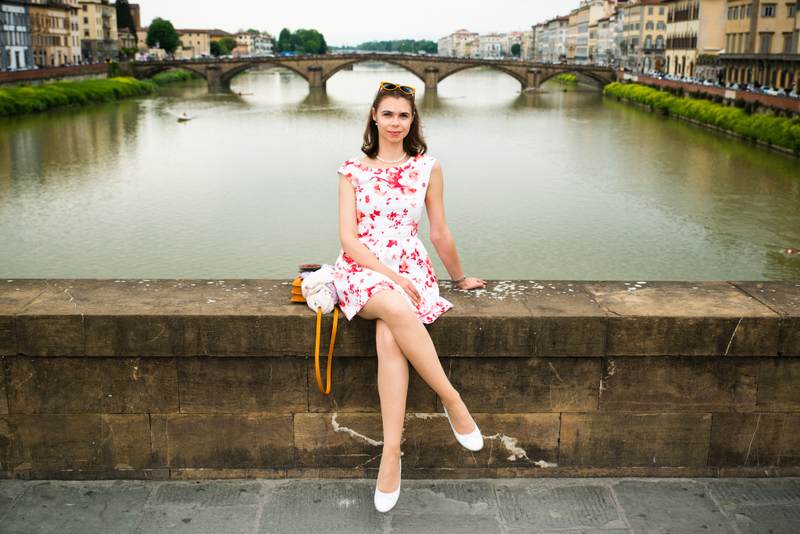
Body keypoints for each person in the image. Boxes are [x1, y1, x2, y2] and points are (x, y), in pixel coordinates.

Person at [331, 80, 487, 513]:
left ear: (412, 120)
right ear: (374, 118)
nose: (395, 122)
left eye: (403, 115)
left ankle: (390, 455)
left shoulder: (428, 167)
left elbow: (438, 230)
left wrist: (458, 277)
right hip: (363, 268)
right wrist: (388, 276)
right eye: (388, 114)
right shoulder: (351, 170)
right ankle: (453, 401)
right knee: (396, 304)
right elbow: (348, 239)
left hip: (411, 266)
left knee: (388, 337)